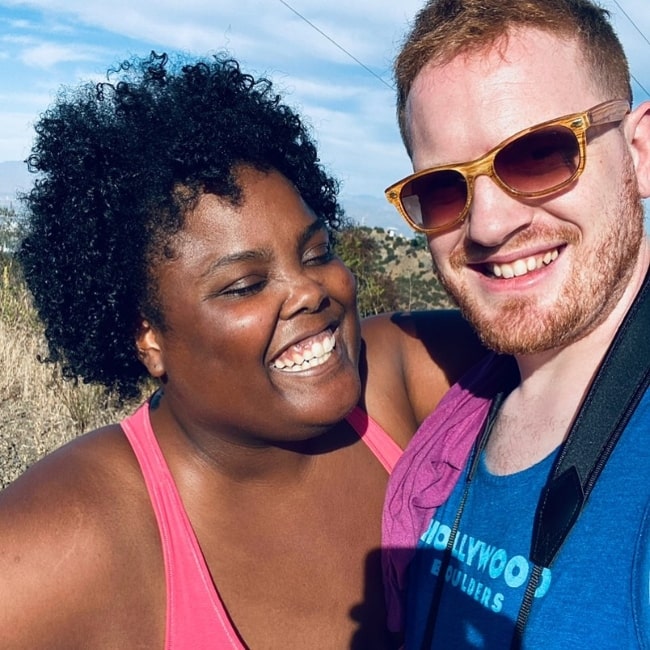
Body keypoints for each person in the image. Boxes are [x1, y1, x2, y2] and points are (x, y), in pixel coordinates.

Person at [0, 51, 485, 648]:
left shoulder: (407, 375)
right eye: (245, 286)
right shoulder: (68, 533)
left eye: (316, 252)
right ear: (146, 336)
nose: (310, 290)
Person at [381, 0, 650, 648]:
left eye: (537, 155)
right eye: (443, 190)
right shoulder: (457, 421)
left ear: (640, 153)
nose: (487, 225)